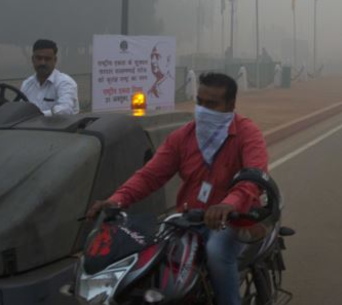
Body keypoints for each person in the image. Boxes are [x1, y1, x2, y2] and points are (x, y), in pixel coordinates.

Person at [86, 72, 268, 305]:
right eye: (199, 102)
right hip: (190, 218)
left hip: (235, 218)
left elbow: (253, 178)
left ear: (230, 105)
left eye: (211, 104)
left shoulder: (247, 133)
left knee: (217, 253)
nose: (202, 110)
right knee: (157, 256)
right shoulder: (182, 137)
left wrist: (227, 205)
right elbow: (150, 175)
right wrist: (116, 200)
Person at [20, 38, 79, 116]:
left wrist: (37, 116)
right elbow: (20, 109)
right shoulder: (27, 84)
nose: (42, 63)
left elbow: (65, 109)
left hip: (58, 127)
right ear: (33, 59)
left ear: (55, 60)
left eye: (47, 59)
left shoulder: (65, 83)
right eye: (39, 58)